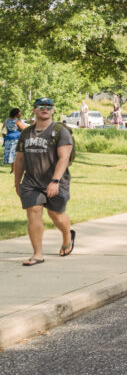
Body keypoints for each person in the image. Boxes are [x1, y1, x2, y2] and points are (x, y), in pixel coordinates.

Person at [13, 98, 75, 266]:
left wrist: (55, 181)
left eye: (49, 107)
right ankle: (37, 254)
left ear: (53, 110)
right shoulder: (26, 133)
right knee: (33, 212)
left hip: (56, 181)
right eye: (41, 106)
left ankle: (67, 236)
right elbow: (19, 159)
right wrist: (17, 182)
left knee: (56, 214)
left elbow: (64, 158)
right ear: (34, 110)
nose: (45, 109)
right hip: (31, 182)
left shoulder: (61, 131)